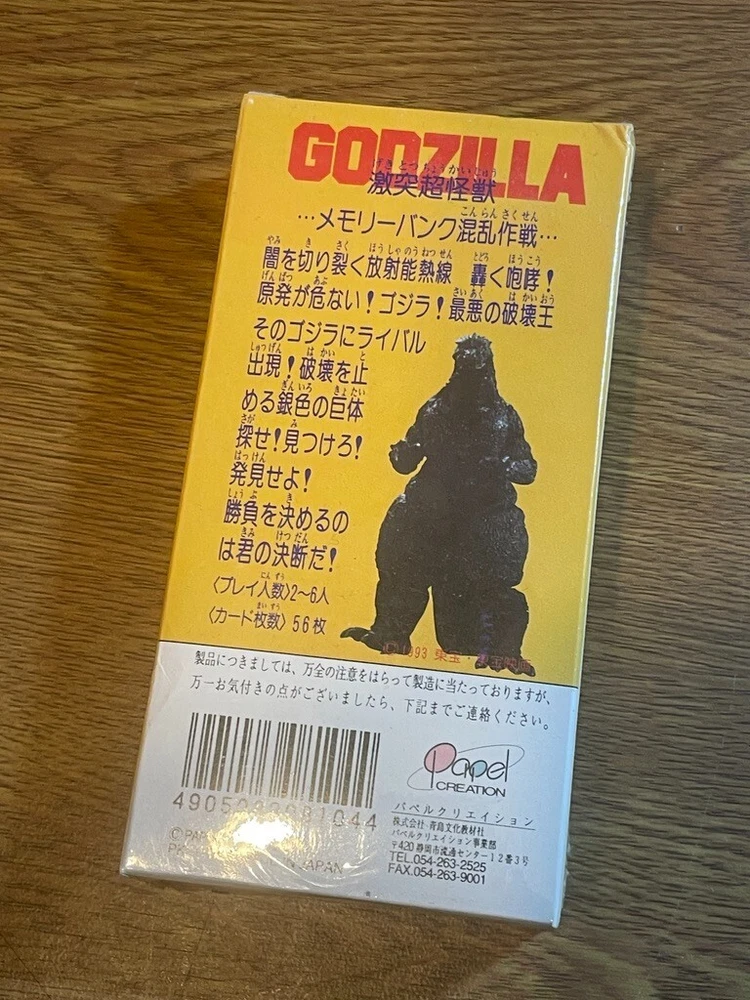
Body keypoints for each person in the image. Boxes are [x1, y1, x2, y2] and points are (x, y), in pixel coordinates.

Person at [341, 334, 537, 674]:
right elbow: (407, 457)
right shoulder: (436, 410)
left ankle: (503, 650)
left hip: (484, 518)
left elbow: (527, 468)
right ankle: (391, 632)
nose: (471, 375)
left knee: (465, 628)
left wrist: (504, 464)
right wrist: (403, 452)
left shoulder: (503, 418)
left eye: (477, 369)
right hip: (430, 512)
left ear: (487, 371)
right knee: (402, 572)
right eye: (466, 367)